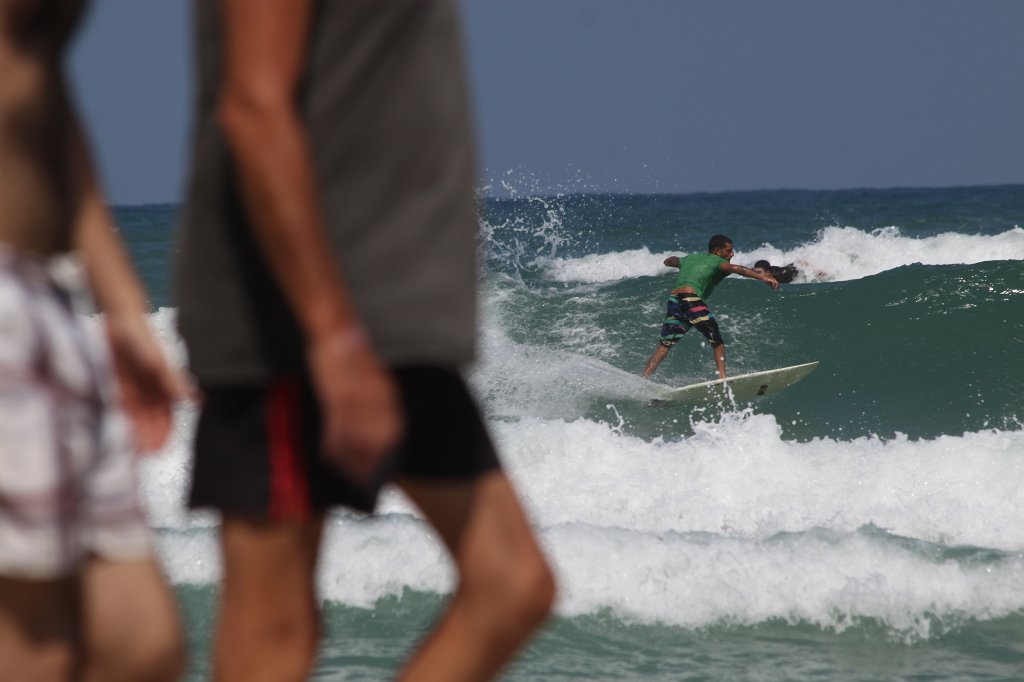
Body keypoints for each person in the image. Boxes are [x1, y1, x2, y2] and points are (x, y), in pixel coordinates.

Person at [174, 1, 555, 681]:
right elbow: (253, 107)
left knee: (511, 584)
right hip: (299, 317)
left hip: (387, 315)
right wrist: (332, 336)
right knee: (276, 631)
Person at [0, 1, 186, 680]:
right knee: (34, 653)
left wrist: (124, 310)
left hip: (47, 303)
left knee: (144, 643)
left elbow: (44, 89)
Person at [642, 234, 779, 380]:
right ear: (717, 251)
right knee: (717, 342)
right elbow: (737, 269)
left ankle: (644, 378)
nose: (732, 254)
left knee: (665, 345)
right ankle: (722, 377)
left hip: (675, 300)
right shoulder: (717, 261)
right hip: (691, 300)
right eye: (728, 251)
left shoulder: (690, 258)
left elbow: (671, 261)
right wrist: (763, 277)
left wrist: (672, 261)